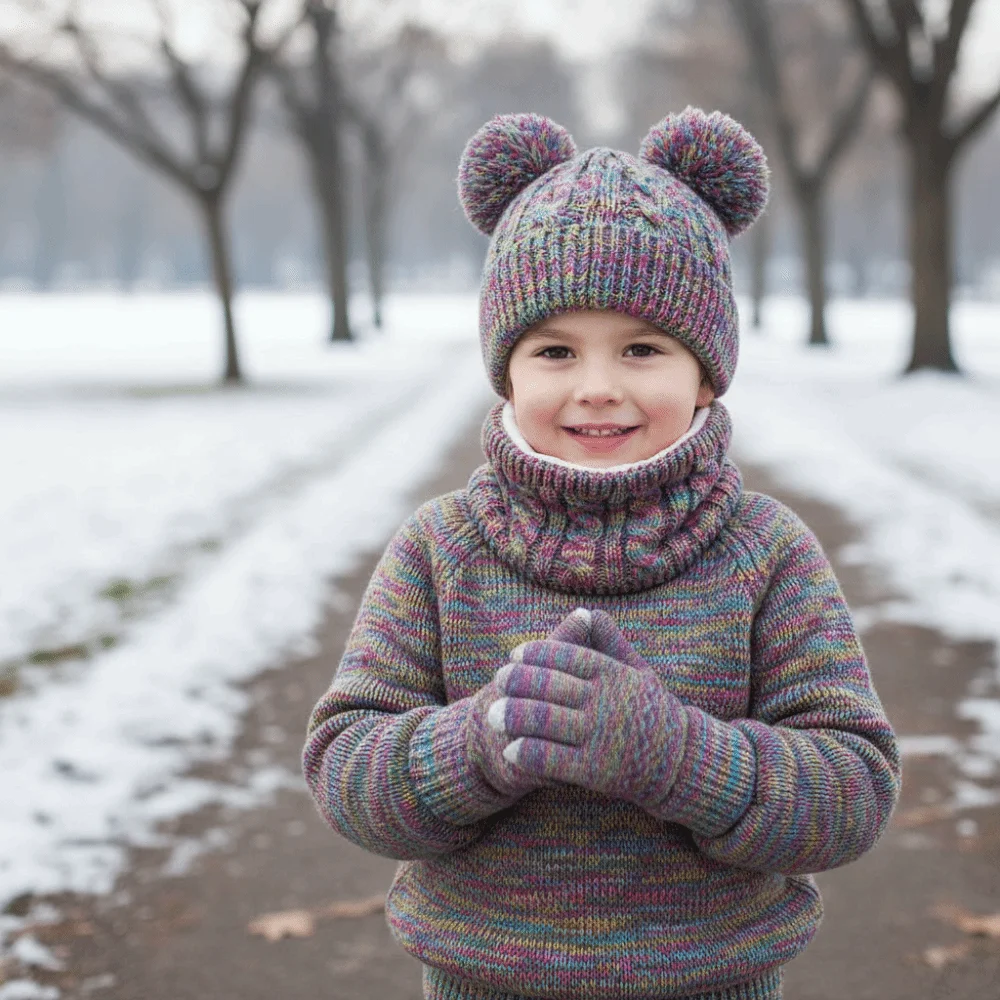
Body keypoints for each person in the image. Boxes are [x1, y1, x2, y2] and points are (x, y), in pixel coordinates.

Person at [302, 107, 902, 1000]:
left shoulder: (764, 554)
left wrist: (679, 756)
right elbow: (348, 768)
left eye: (642, 348)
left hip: (714, 983)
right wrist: (482, 740)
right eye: (553, 350)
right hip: (481, 982)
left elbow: (850, 793)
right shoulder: (441, 551)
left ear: (706, 372)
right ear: (506, 372)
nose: (596, 388)